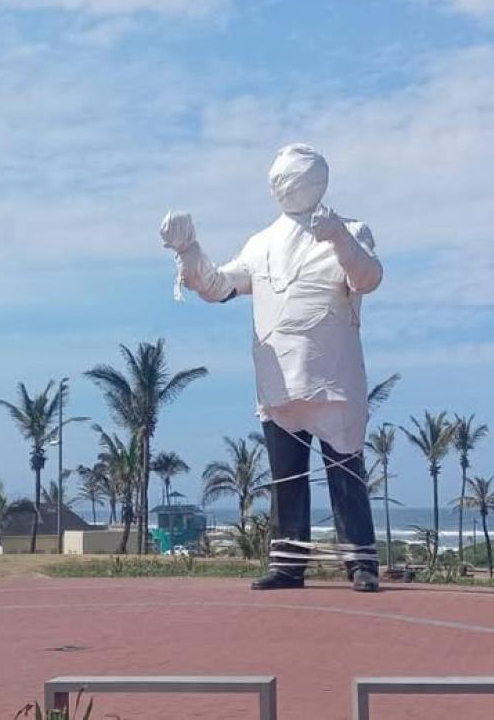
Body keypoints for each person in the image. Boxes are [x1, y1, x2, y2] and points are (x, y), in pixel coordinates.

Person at [160, 143, 383, 592]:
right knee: (285, 478)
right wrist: (188, 251)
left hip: (333, 377)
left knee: (345, 471)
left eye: (292, 178)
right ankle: (288, 563)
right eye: (278, 180)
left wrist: (338, 237)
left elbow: (368, 278)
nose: (283, 186)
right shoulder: (260, 244)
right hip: (277, 379)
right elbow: (218, 286)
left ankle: (360, 562)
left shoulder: (351, 230)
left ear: (316, 182)